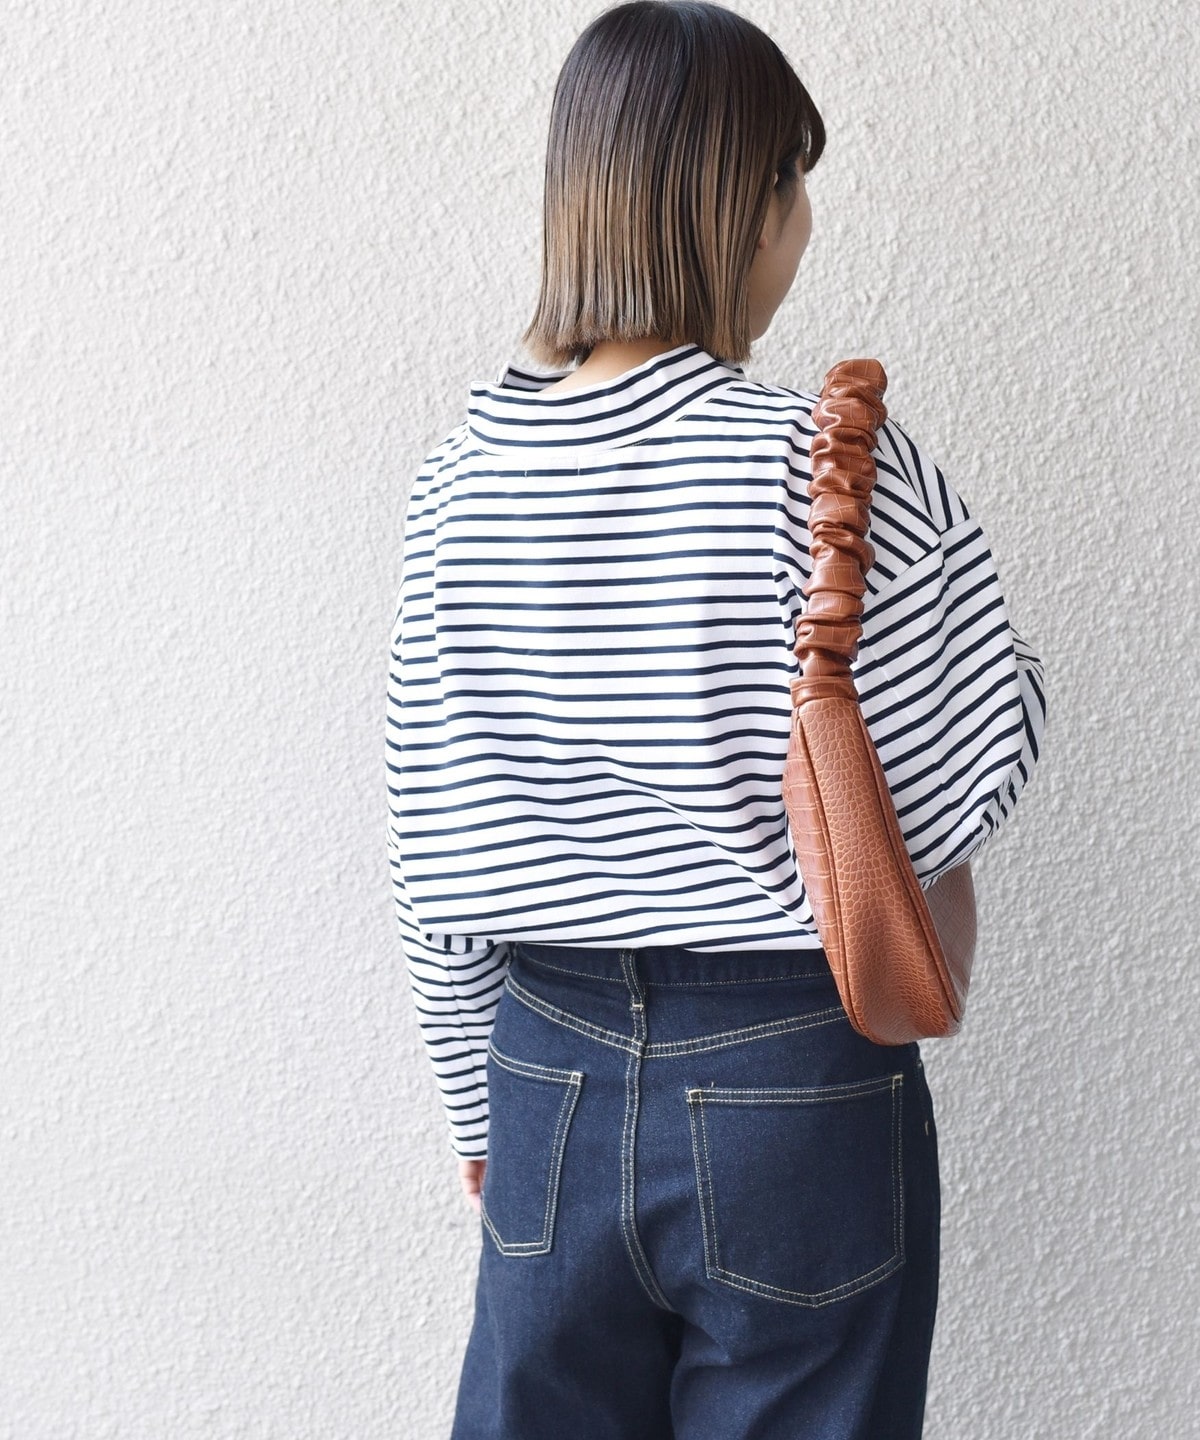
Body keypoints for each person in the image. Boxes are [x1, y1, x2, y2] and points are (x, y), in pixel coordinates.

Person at [384, 3, 1046, 1436]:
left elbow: (433, 862)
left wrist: (479, 1115)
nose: (804, 222)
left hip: (544, 1068)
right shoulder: (829, 464)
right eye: (795, 180)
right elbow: (963, 782)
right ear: (743, 202)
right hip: (795, 1072)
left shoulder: (457, 484)